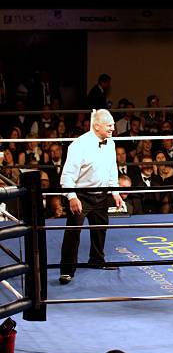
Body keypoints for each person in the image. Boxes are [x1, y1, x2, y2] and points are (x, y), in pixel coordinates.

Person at [59, 109, 123, 284]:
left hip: (101, 193)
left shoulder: (110, 143)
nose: (113, 128)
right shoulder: (79, 145)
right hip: (81, 194)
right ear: (96, 125)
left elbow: (112, 168)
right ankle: (66, 270)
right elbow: (67, 175)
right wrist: (72, 197)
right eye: (109, 125)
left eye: (113, 124)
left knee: (100, 228)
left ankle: (96, 260)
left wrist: (115, 192)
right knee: (73, 232)